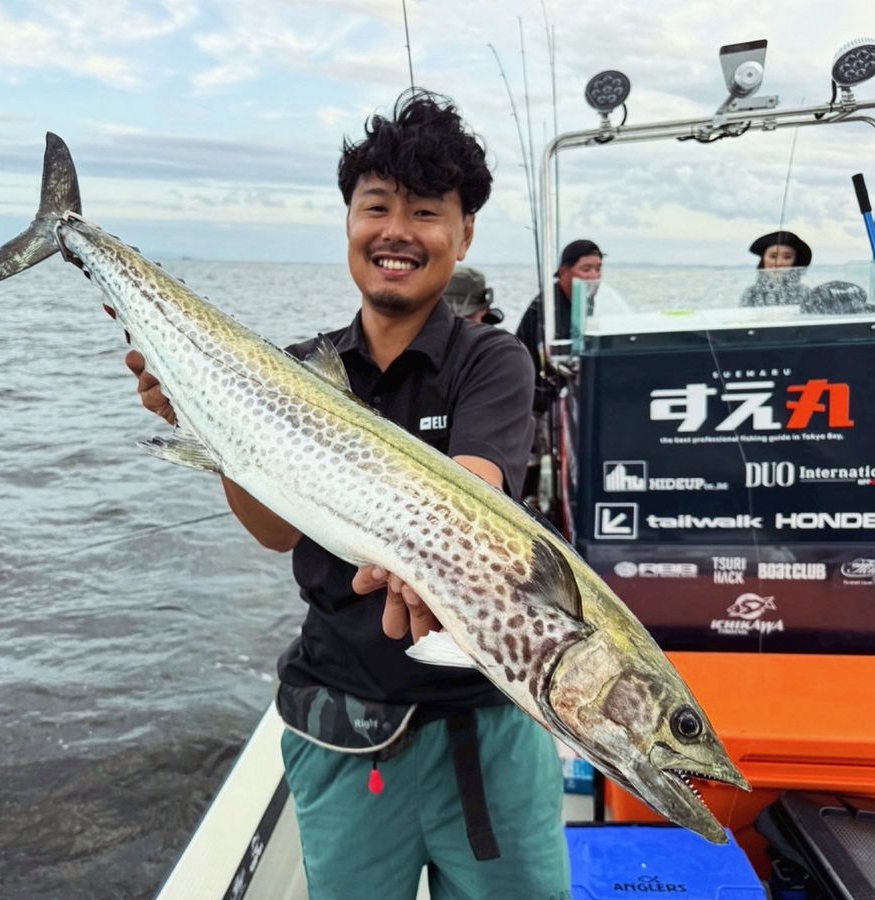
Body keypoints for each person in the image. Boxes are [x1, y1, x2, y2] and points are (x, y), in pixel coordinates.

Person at [127, 90, 569, 900]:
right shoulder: (296, 371)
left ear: (464, 232)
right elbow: (272, 529)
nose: (397, 232)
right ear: (349, 223)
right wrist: (211, 418)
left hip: (485, 728)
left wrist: (416, 559)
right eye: (377, 207)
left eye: (427, 211)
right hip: (340, 726)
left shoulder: (493, 360)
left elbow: (470, 495)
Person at [514, 239, 603, 504]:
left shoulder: (583, 303)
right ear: (564, 272)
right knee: (539, 466)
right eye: (586, 269)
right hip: (535, 404)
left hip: (558, 401)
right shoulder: (548, 309)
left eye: (598, 269)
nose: (594, 276)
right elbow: (552, 359)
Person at [739, 230, 813, 307]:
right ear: (763, 259)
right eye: (773, 256)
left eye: (787, 257)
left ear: (795, 261)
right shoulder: (751, 294)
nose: (778, 263)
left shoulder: (806, 293)